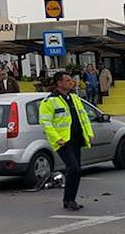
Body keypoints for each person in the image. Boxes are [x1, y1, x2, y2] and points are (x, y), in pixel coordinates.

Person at [39, 71, 94, 211]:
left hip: (76, 139)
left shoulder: (74, 98)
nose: (71, 82)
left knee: (76, 170)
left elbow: (84, 117)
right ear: (59, 83)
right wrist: (57, 138)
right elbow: (46, 123)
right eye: (68, 80)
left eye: (71, 80)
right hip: (63, 141)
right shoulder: (49, 101)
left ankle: (70, 199)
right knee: (73, 168)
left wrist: (89, 133)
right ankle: (69, 200)